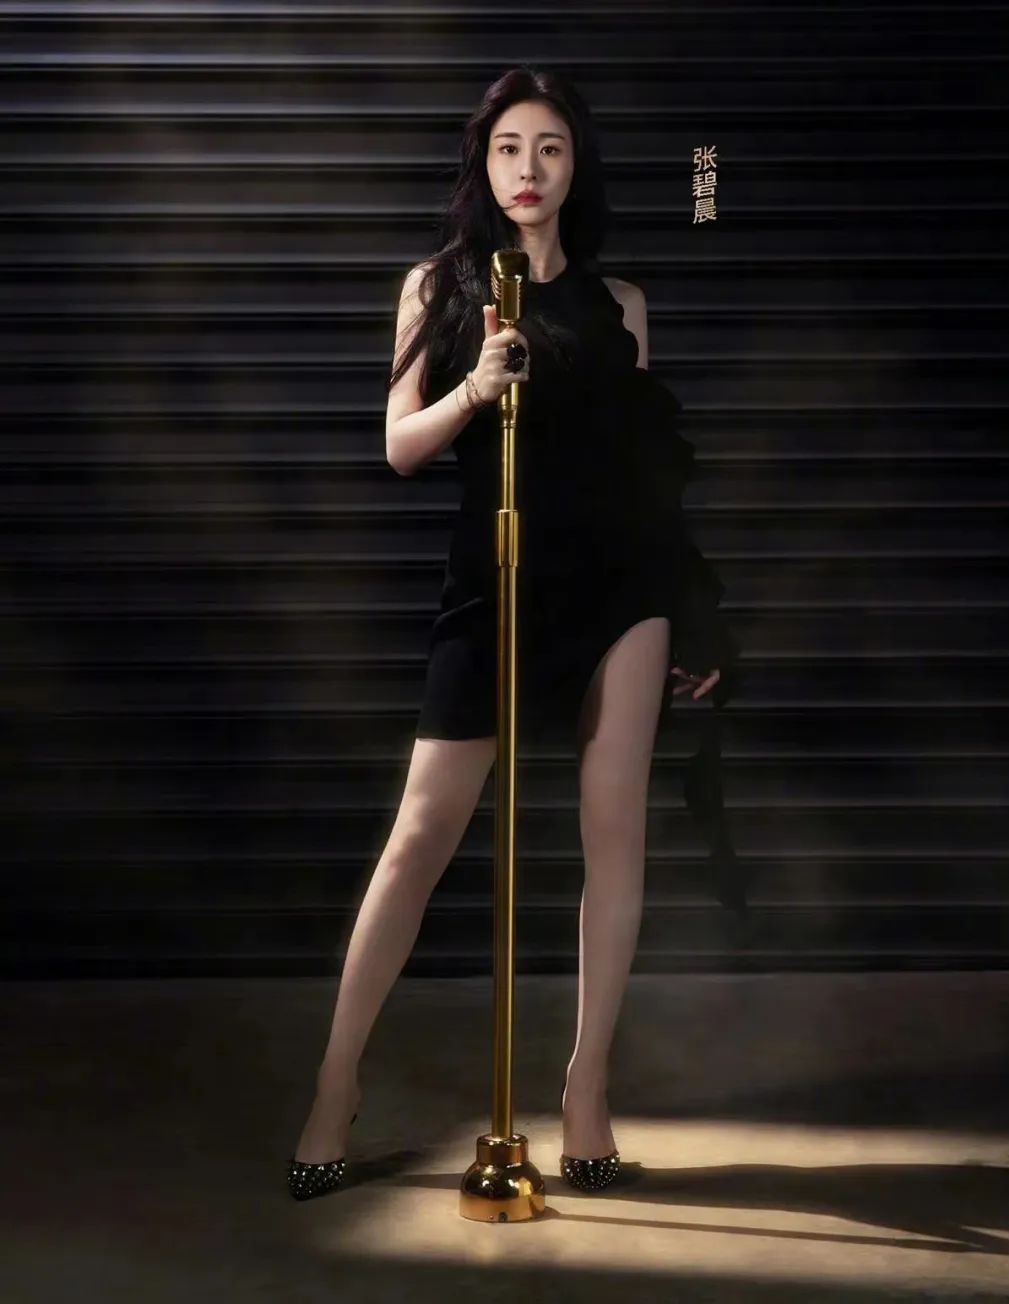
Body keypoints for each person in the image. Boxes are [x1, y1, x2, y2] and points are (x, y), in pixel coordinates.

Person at [287, 65, 739, 1202]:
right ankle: (336, 1082)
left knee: (615, 834)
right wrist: (477, 388)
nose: (527, 170)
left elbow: (648, 473)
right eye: (508, 149)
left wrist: (696, 607)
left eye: (549, 148)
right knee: (418, 837)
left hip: (618, 586)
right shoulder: (438, 288)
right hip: (491, 581)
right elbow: (399, 445)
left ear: (575, 167)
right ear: (481, 165)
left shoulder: (620, 302)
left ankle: (587, 1088)